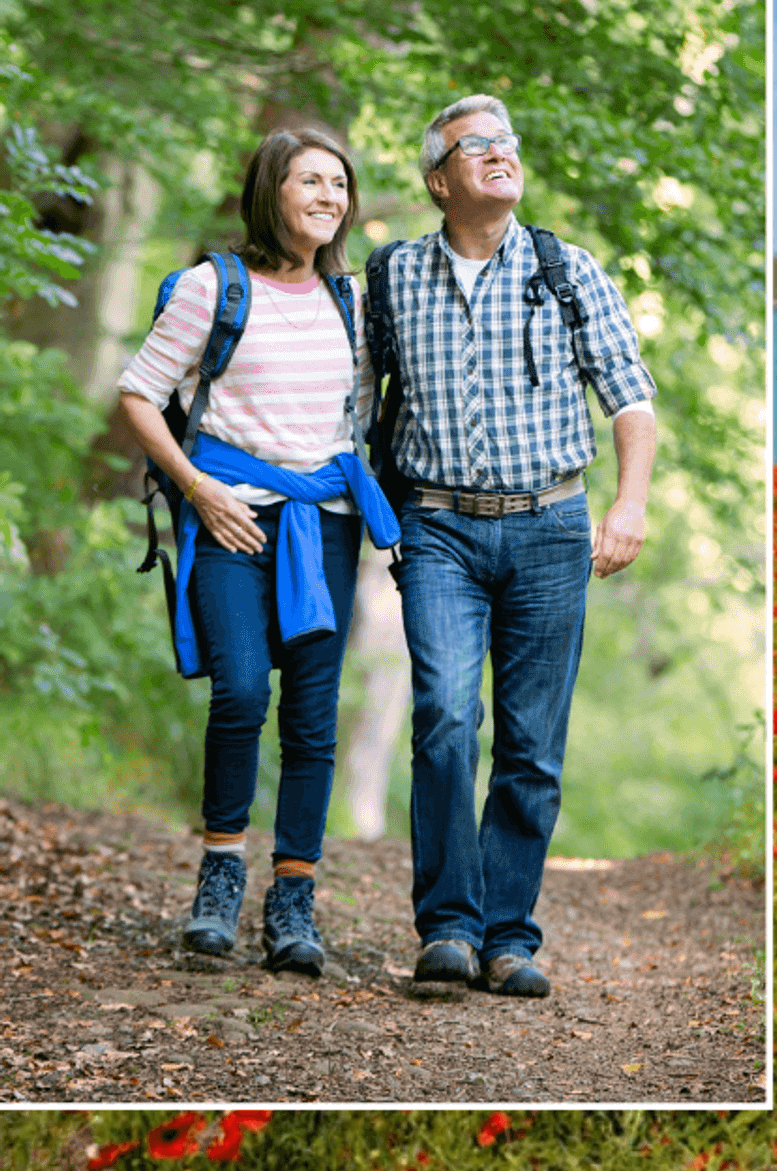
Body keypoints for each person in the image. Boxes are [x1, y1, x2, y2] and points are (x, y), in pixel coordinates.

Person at [372, 93, 657, 998]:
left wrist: (631, 504)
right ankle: (448, 928)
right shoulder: (390, 277)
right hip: (438, 528)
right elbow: (351, 408)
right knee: (447, 717)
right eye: (476, 145)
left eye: (507, 143)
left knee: (531, 744)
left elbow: (632, 399)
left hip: (551, 527)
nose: (499, 155)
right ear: (438, 179)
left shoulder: (567, 269)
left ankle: (509, 937)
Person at [118, 127, 399, 976]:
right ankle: (219, 875)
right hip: (229, 513)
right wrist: (197, 489)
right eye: (310, 181)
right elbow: (139, 392)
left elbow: (358, 417)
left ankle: (293, 901)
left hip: (325, 524)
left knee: (312, 720)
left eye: (340, 185)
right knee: (241, 688)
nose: (329, 197)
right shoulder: (214, 288)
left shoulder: (351, 299)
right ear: (271, 190)